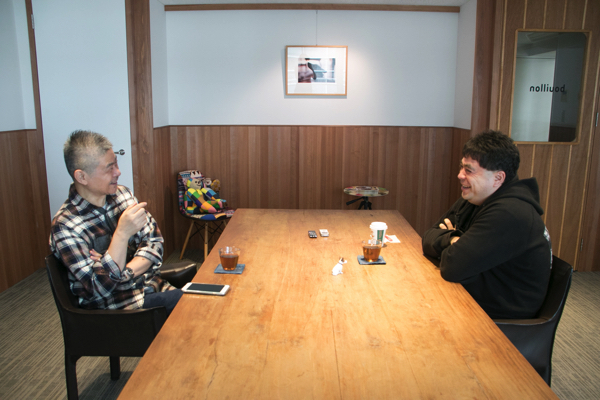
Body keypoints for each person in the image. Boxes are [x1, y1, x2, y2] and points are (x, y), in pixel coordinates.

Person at [422, 130, 552, 319]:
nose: (459, 175)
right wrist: (454, 239)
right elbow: (428, 238)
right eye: (461, 168)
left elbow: (452, 267)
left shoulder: (510, 213)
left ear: (498, 178)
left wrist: (453, 247)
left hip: (499, 320)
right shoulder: (474, 197)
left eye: (469, 170)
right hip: (471, 298)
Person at [49, 130, 182, 315]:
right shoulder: (65, 226)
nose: (118, 172)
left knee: (210, 301)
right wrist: (122, 234)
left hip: (154, 287)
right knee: (200, 308)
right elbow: (98, 287)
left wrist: (122, 271)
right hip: (118, 311)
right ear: (81, 177)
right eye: (109, 168)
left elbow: (155, 242)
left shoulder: (123, 195)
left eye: (116, 163)